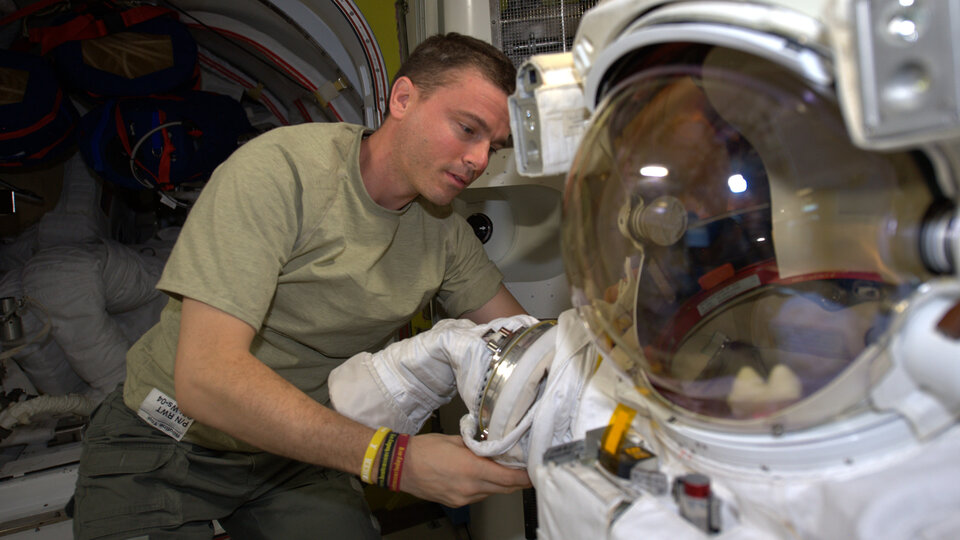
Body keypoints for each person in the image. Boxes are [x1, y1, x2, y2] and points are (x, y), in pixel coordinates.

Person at [72, 32, 532, 539]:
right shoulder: (282, 173)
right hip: (166, 436)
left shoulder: (443, 230)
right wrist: (393, 461)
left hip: (293, 451)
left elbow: (522, 341)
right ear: (403, 99)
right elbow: (206, 379)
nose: (479, 159)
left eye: (494, 145)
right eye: (468, 129)